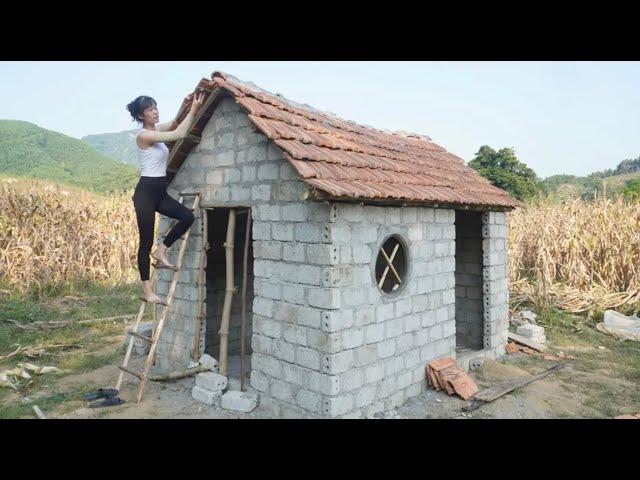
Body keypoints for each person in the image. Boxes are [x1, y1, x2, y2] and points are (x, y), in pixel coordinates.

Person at [126, 91, 205, 305]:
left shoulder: (156, 129)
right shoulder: (144, 136)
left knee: (187, 218)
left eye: (155, 107)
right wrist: (195, 110)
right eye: (150, 109)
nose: (155, 111)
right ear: (142, 115)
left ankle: (161, 251)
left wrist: (188, 105)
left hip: (159, 192)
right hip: (145, 194)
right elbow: (179, 133)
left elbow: (175, 123)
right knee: (145, 243)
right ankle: (147, 290)